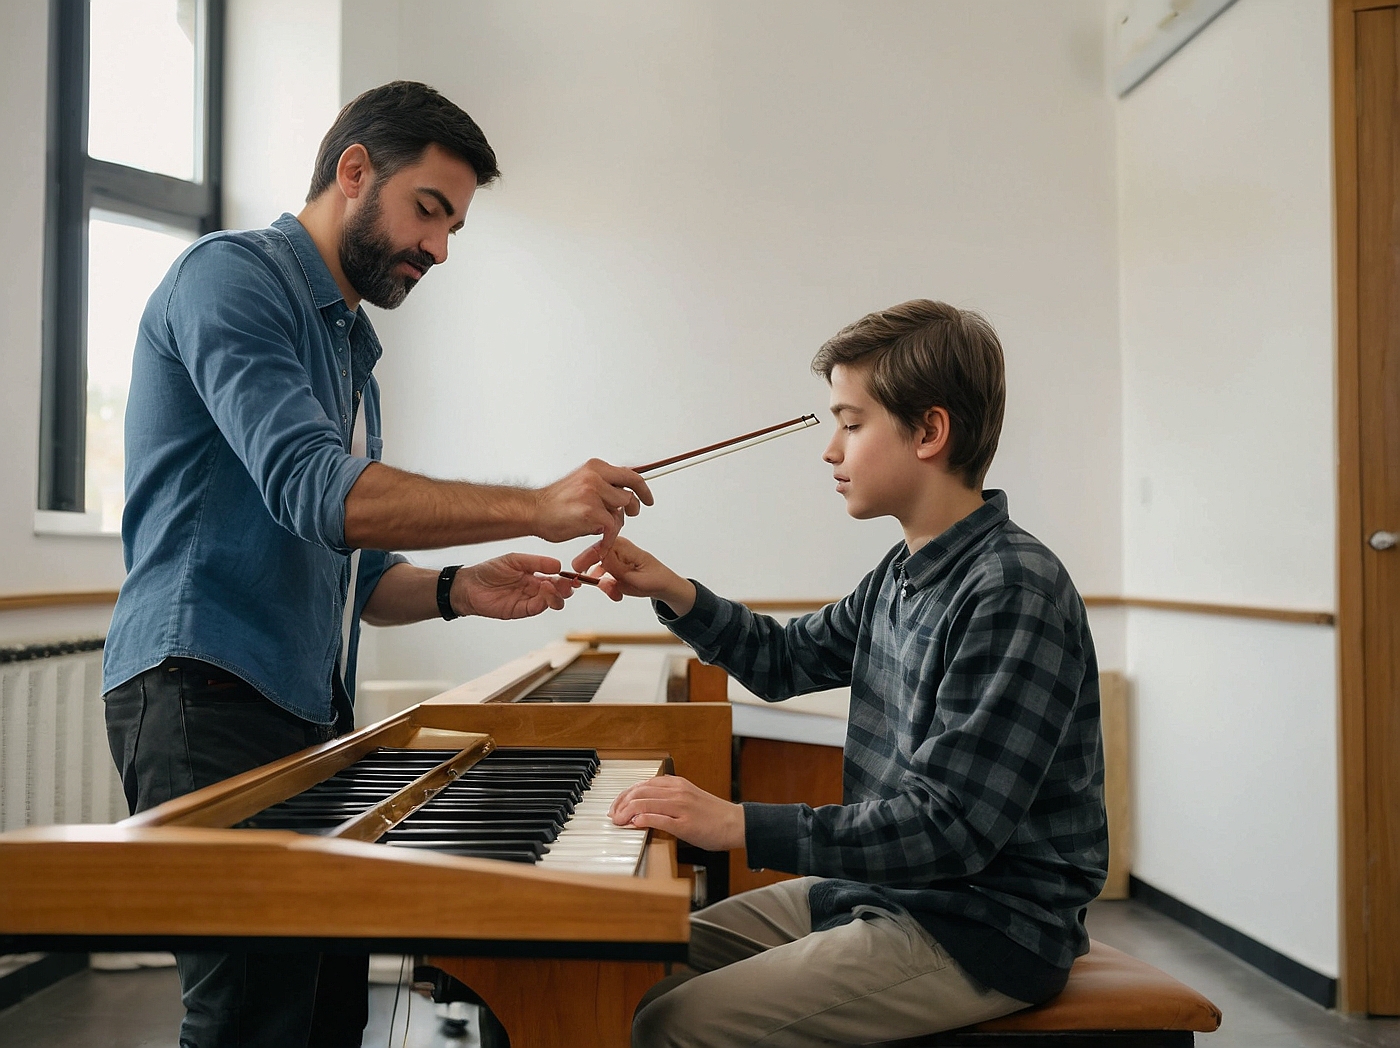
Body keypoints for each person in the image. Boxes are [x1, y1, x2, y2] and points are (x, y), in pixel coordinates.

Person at [101, 81, 652, 1048]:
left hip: (303, 708)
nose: (439, 248)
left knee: (323, 1015)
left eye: (454, 227)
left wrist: (459, 590)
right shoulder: (229, 280)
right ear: (354, 171)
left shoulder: (350, 346)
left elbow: (354, 570)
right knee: (249, 1022)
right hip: (201, 691)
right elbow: (321, 490)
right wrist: (536, 503)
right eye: (428, 210)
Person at [573, 299, 1108, 1047]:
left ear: (929, 432)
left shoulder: (1013, 588)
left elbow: (950, 829)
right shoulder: (903, 570)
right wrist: (673, 590)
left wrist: (735, 823)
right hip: (890, 894)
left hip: (982, 926)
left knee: (673, 1023)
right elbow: (786, 660)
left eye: (851, 425)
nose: (831, 450)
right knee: (633, 957)